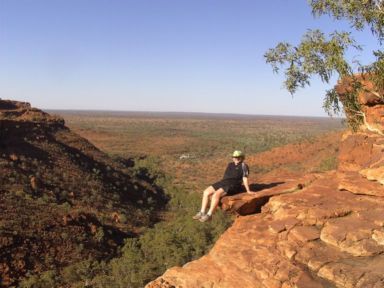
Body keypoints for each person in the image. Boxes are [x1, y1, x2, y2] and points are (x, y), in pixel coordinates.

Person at [193, 150, 253, 222]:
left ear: (242, 157)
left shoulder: (244, 166)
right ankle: (202, 212)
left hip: (233, 185)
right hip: (224, 182)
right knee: (206, 192)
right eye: (234, 157)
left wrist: (248, 190)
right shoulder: (230, 164)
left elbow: (245, 178)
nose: (236, 158)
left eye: (238, 157)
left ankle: (209, 215)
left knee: (216, 194)